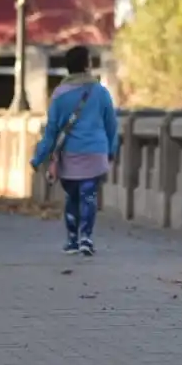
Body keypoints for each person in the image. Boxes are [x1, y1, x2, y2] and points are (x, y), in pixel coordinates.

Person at [30, 45, 118, 256]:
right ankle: (86, 237)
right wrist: (112, 150)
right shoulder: (100, 92)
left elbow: (51, 131)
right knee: (89, 195)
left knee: (72, 197)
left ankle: (72, 240)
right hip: (95, 152)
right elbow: (111, 125)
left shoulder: (59, 95)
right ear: (87, 65)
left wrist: (39, 157)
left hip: (69, 154)